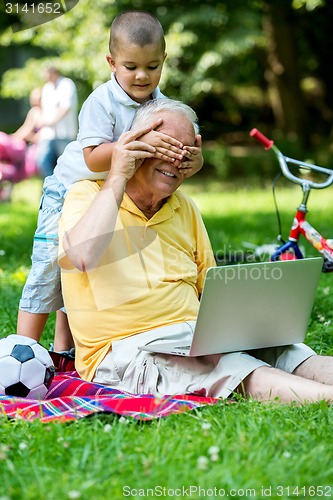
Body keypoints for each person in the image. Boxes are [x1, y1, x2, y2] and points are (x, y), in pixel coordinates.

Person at [58, 98, 333, 404]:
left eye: (186, 151)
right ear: (135, 145)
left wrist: (245, 329)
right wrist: (119, 174)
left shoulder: (184, 207)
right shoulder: (87, 194)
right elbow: (82, 257)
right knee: (231, 368)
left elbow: (210, 291)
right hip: (127, 352)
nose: (177, 160)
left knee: (290, 353)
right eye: (166, 147)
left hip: (193, 338)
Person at [16, 11, 203, 353]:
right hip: (68, 189)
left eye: (152, 66)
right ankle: (21, 350)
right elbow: (91, 157)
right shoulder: (101, 102)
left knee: (83, 272)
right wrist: (131, 146)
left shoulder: (163, 106)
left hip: (110, 194)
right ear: (111, 63)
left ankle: (63, 350)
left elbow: (186, 147)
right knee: (49, 266)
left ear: (164, 61)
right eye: (131, 67)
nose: (142, 75)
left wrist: (195, 159)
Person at [0, 87, 42, 201]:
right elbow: (25, 129)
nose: (34, 100)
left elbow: (28, 131)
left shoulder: (45, 111)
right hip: (36, 144)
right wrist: (13, 138)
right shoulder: (34, 112)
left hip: (43, 146)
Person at [36, 66, 78, 179]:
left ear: (53, 72)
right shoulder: (47, 88)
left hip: (65, 133)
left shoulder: (67, 84)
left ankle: (65, 190)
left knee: (66, 165)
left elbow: (66, 107)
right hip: (48, 134)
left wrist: (50, 121)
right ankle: (53, 186)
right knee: (42, 161)